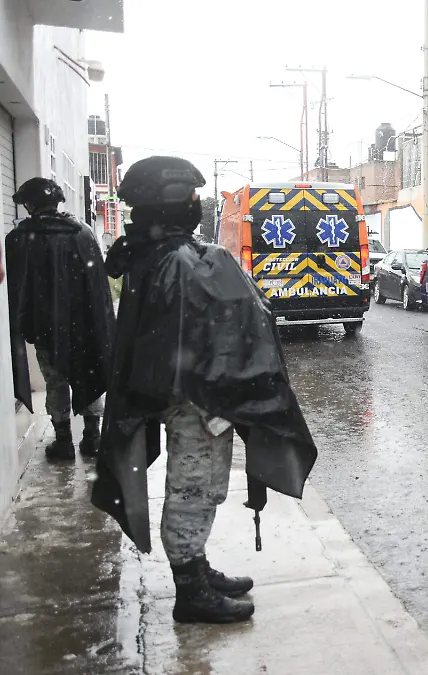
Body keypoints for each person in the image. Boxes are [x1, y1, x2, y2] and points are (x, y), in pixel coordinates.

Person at [91, 156, 318, 624]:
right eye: (193, 199)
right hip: (195, 400)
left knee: (200, 485)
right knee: (194, 488)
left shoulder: (157, 254)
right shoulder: (175, 260)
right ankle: (190, 591)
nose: (198, 206)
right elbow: (202, 331)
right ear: (172, 203)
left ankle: (196, 566)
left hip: (195, 394)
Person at [5, 178, 114, 460]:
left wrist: (24, 324)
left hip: (44, 326)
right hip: (84, 323)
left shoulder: (19, 237)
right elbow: (97, 283)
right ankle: (93, 436)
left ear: (30, 204)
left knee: (55, 381)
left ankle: (63, 440)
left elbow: (18, 287)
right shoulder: (82, 232)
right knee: (88, 374)